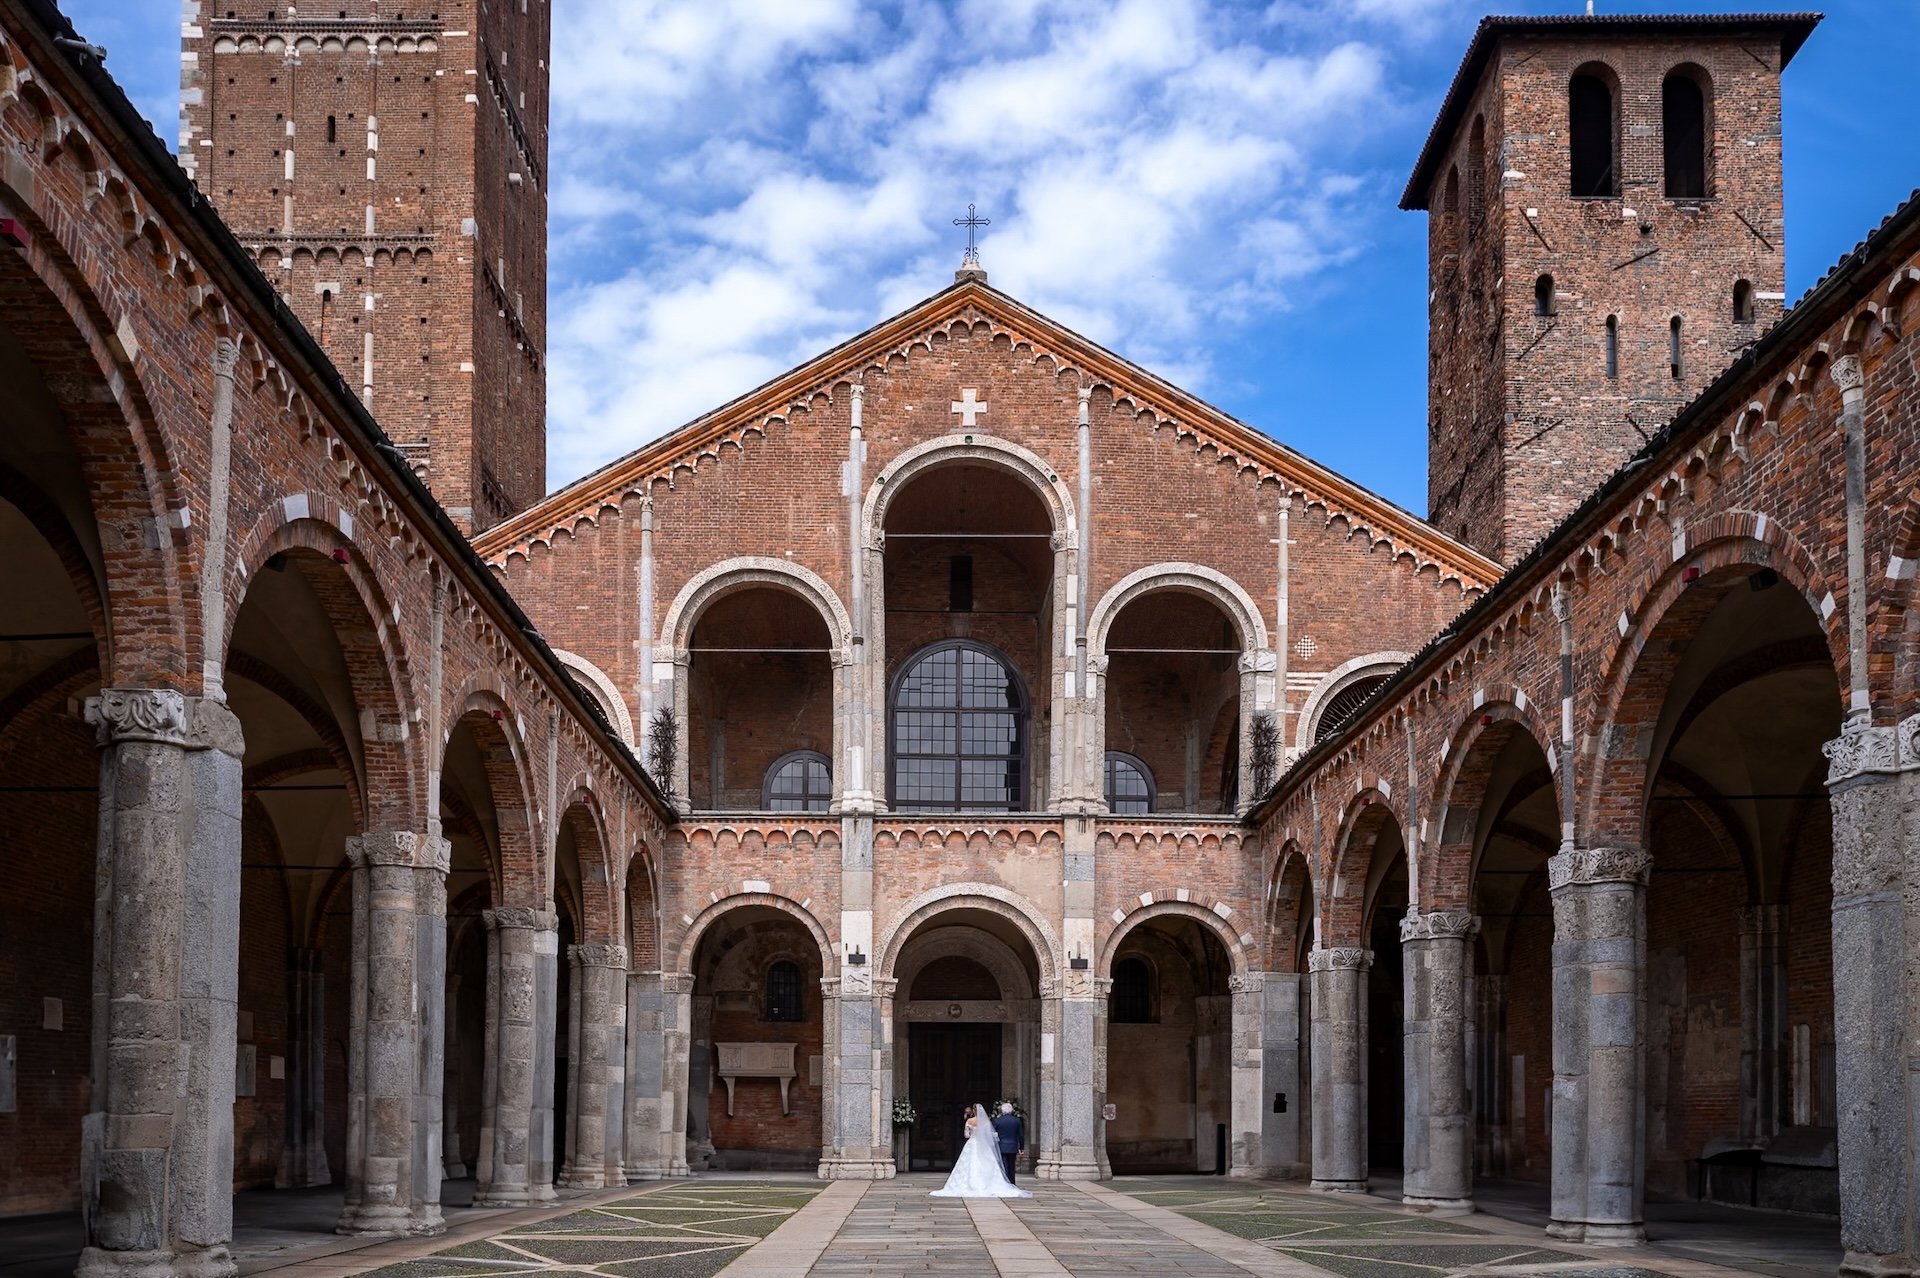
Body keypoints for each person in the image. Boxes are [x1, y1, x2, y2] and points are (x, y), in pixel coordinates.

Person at [929, 1102, 1030, 1198]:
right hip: (987, 1146)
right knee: (1001, 1165)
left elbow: (966, 1135)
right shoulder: (988, 1122)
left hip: (973, 1144)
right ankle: (1008, 1183)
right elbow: (991, 1135)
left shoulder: (971, 1121)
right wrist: (1021, 1147)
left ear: (973, 1110)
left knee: (971, 1163)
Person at [991, 1101, 1025, 1184]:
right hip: (1013, 1146)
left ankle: (1005, 1183)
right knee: (1011, 1165)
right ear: (1011, 1110)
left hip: (1001, 1146)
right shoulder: (1017, 1121)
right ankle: (1012, 1182)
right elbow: (1021, 1135)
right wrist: (1021, 1147)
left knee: (1004, 1165)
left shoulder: (997, 1121)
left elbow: (993, 1134)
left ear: (1002, 1110)